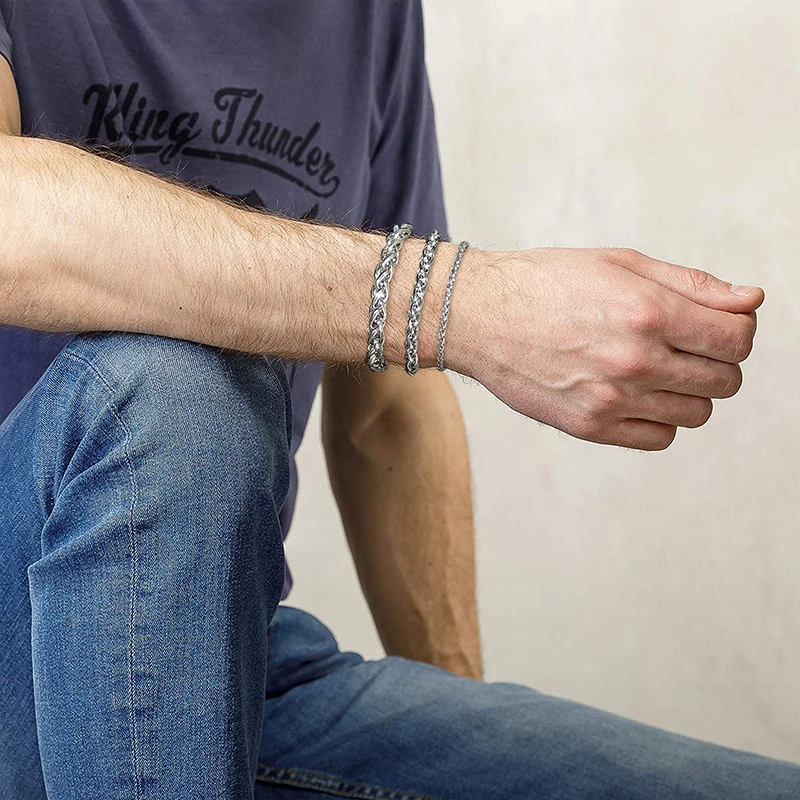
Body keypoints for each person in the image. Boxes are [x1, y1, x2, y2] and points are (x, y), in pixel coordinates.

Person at [0, 2, 796, 798]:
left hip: (231, 656)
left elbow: (386, 410)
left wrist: (457, 714)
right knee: (167, 388)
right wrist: (461, 302)